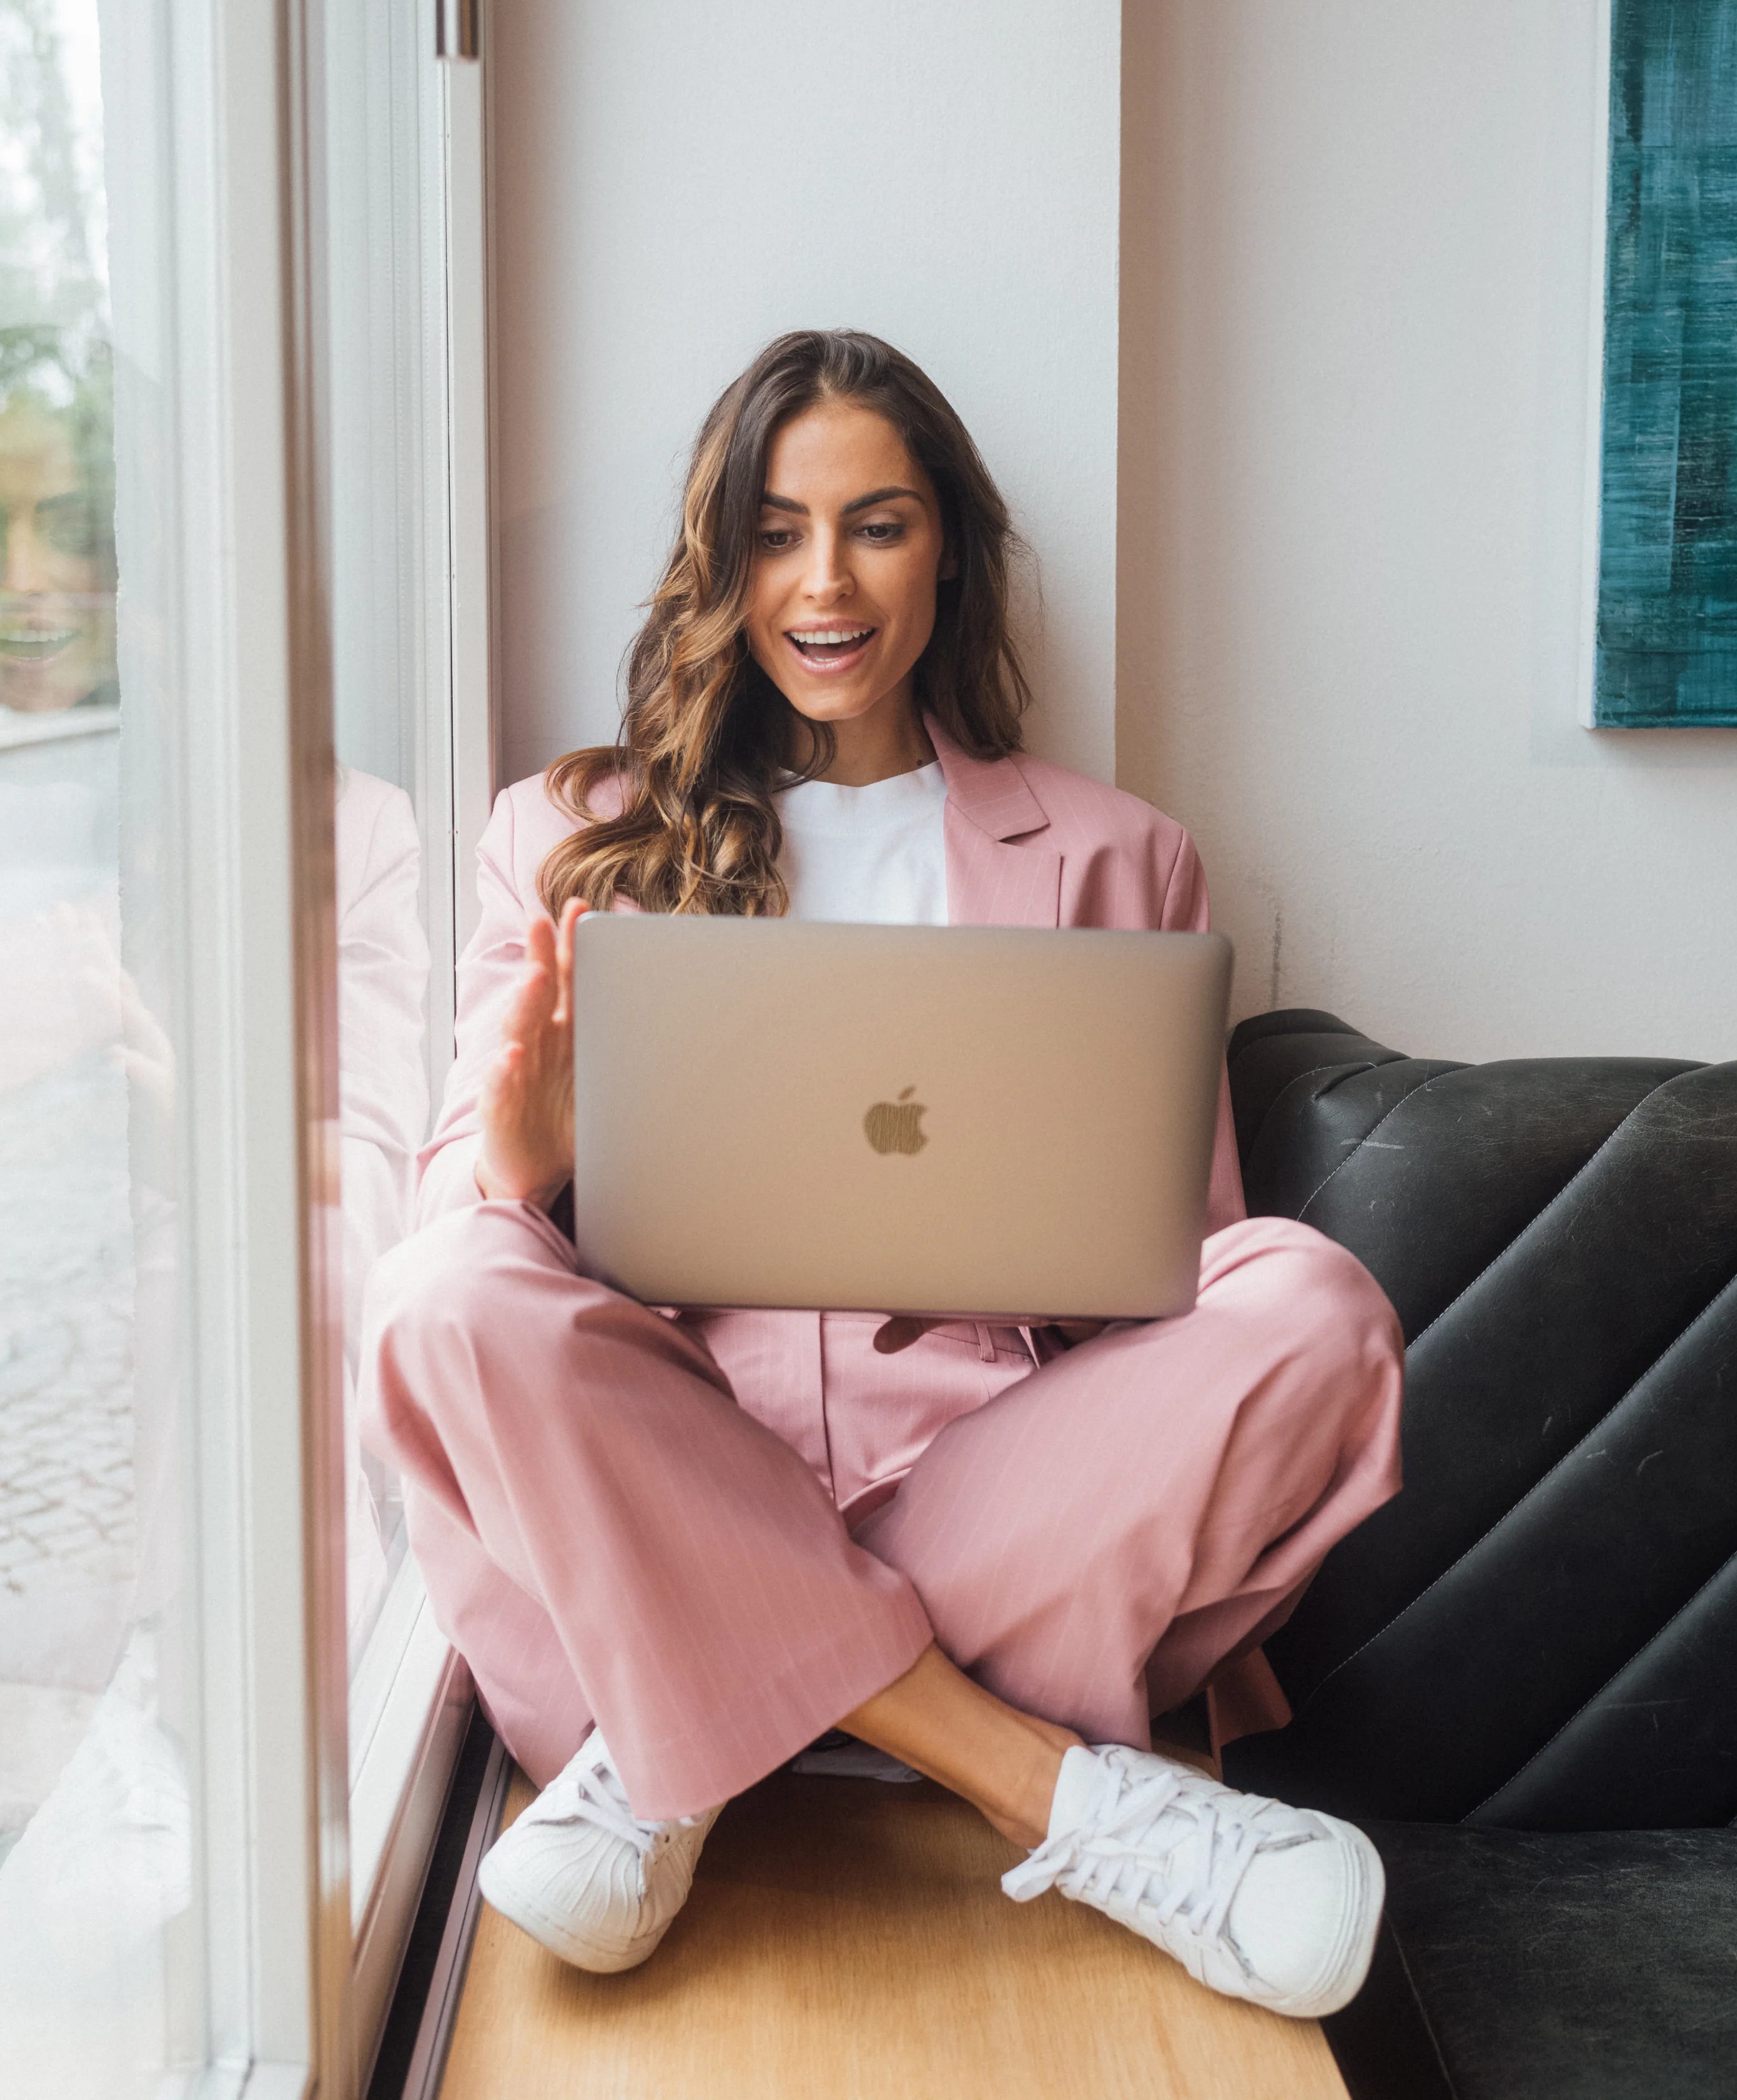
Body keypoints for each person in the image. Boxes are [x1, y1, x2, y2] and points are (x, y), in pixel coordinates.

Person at [359, 330, 1405, 2017]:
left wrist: (1059, 1243)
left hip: (992, 1497)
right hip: (662, 1483)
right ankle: (1054, 1792)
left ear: (953, 550)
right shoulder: (564, 835)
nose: (824, 581)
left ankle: (693, 1733)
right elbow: (446, 1258)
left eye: (879, 524)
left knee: (1316, 1300)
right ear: (720, 561)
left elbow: (1189, 1263)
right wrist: (522, 1166)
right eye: (775, 530)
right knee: (440, 1283)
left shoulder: (1116, 851)